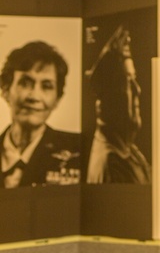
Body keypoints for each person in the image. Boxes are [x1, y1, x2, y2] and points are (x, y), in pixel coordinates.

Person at [1, 41, 80, 188]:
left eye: (47, 86)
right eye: (25, 82)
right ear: (5, 90)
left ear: (57, 99)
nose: (35, 96)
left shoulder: (79, 151)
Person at [86, 25, 151, 184]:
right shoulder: (113, 165)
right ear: (108, 97)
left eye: (134, 79)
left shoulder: (126, 151)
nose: (138, 90)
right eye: (127, 82)